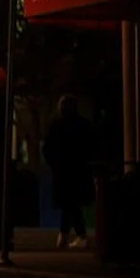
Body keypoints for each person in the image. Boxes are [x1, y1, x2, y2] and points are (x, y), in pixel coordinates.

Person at [43, 95, 96, 249]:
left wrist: (53, 163)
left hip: (63, 171)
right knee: (71, 203)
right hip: (79, 171)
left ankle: (79, 235)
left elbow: (47, 148)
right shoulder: (83, 125)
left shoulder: (56, 126)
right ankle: (65, 235)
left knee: (69, 204)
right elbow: (91, 146)